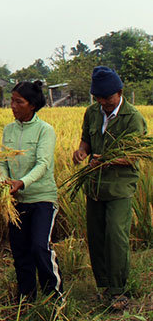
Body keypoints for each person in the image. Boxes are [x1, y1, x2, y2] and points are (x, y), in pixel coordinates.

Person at [72, 66, 147, 310]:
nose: (103, 102)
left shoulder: (132, 117)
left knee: (116, 237)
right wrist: (82, 152)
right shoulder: (92, 112)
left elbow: (131, 156)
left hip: (119, 188)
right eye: (99, 98)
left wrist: (105, 159)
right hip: (94, 185)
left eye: (107, 98)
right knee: (96, 238)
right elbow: (86, 139)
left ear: (119, 92)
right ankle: (103, 287)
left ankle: (118, 291)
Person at [0, 80, 62, 302]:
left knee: (39, 246)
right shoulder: (9, 130)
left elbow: (43, 163)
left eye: (19, 102)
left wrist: (21, 182)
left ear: (32, 105)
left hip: (42, 199)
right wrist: (4, 181)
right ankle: (26, 296)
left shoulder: (45, 130)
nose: (12, 106)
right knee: (20, 251)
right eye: (12, 101)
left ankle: (53, 296)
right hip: (16, 201)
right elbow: (1, 161)